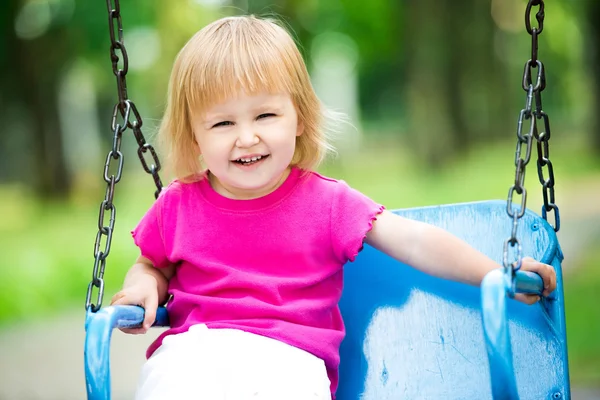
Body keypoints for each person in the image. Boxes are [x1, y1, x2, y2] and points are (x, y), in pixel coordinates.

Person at [110, 15, 557, 400]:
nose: (247, 137)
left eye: (265, 115)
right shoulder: (179, 204)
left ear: (299, 117)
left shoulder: (325, 202)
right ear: (194, 137)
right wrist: (143, 286)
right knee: (171, 377)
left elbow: (415, 241)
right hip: (196, 355)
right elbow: (151, 264)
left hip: (286, 362)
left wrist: (491, 273)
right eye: (223, 123)